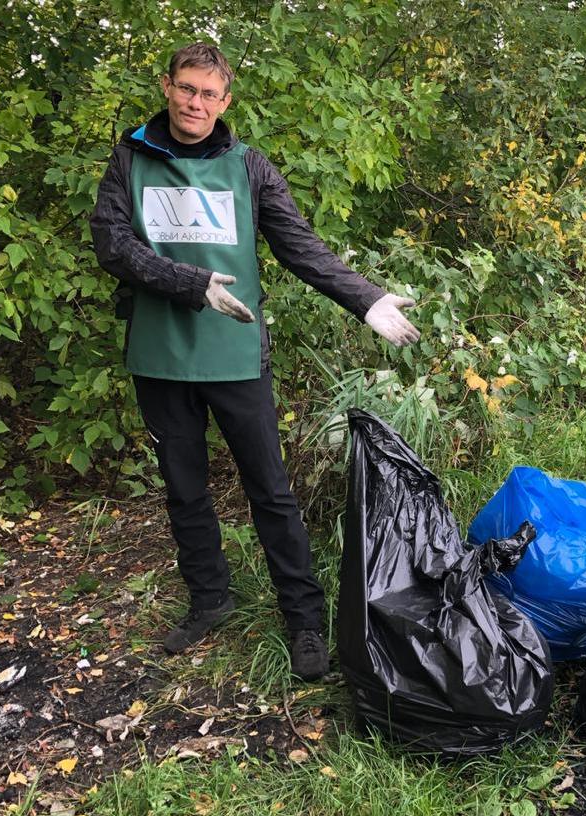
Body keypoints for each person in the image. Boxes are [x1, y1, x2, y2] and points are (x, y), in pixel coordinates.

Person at [89, 42, 419, 680]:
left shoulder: (248, 167)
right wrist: (191, 284)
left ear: (226, 100)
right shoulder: (129, 157)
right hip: (159, 356)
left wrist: (367, 298)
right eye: (187, 89)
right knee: (184, 490)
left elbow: (300, 247)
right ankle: (209, 598)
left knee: (270, 490)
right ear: (167, 87)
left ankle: (302, 618)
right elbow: (112, 242)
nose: (196, 103)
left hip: (236, 356)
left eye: (209, 93)